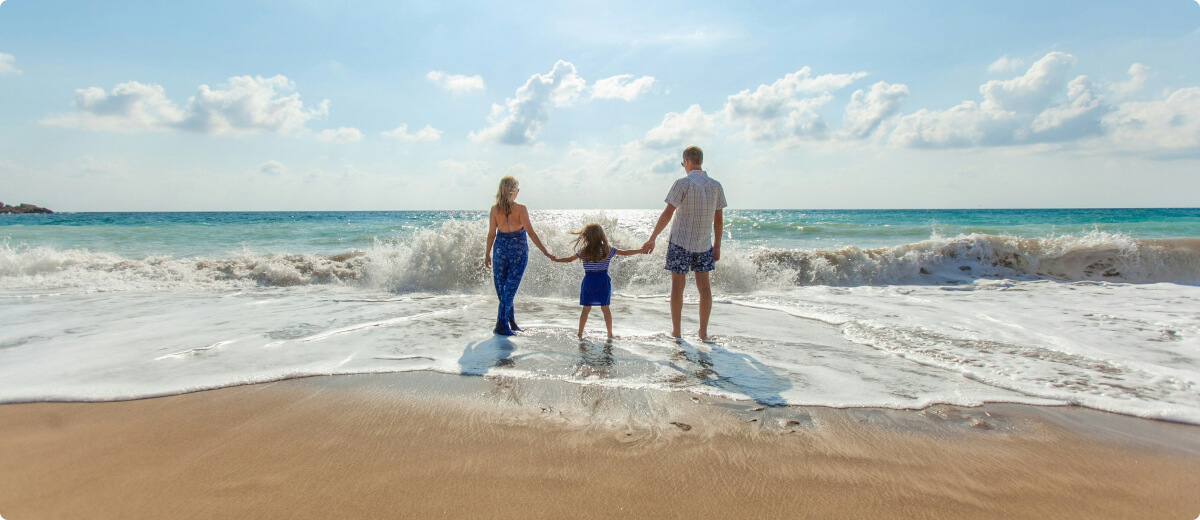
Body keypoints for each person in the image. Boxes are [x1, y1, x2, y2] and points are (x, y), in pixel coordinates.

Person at [641, 146, 727, 341]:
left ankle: (677, 332)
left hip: (680, 242)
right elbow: (718, 220)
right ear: (700, 161)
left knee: (677, 287)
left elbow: (667, 213)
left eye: (683, 163)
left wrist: (652, 237)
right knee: (704, 288)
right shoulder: (716, 186)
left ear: (686, 161)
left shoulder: (682, 184)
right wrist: (718, 245)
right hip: (704, 244)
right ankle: (703, 333)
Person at [484, 176, 553, 336]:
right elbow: (531, 232)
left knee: (504, 289)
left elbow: (491, 235)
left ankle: (511, 322)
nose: (519, 192)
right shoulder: (521, 209)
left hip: (500, 249)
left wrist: (487, 253)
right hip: (518, 250)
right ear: (513, 191)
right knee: (508, 289)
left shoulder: (495, 209)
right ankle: (501, 325)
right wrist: (545, 251)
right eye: (517, 189)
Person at [552, 222, 643, 340]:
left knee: (586, 309)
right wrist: (641, 250)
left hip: (589, 281)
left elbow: (569, 259)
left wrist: (556, 260)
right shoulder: (608, 249)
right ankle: (609, 334)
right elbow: (625, 252)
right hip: (603, 281)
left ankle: (580, 334)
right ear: (601, 235)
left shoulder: (584, 251)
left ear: (586, 236)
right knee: (605, 308)